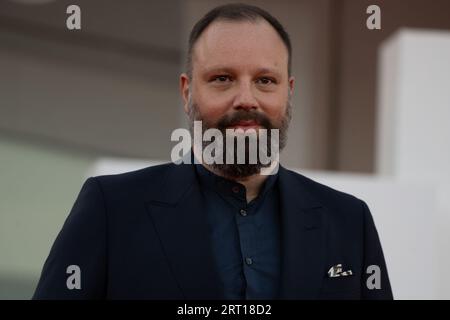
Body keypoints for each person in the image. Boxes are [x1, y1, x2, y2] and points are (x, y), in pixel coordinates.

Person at [33, 3, 393, 300]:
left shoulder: (348, 222)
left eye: (265, 81)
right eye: (222, 78)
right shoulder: (111, 209)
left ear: (289, 91)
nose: (246, 99)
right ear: (188, 91)